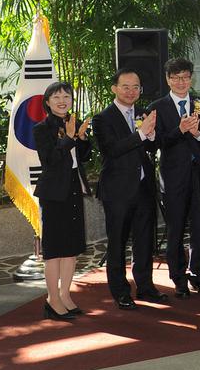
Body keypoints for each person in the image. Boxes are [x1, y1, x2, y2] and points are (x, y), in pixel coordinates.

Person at [92, 67, 160, 310]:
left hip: (143, 187)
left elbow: (150, 147)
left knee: (144, 240)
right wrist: (142, 134)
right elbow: (112, 150)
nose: (131, 91)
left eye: (136, 87)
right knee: (118, 243)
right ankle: (120, 291)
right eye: (126, 87)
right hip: (118, 190)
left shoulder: (143, 113)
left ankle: (145, 286)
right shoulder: (102, 118)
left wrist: (151, 137)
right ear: (114, 88)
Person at [153, 58, 200, 298]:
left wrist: (197, 134)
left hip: (199, 175)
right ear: (168, 79)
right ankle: (178, 278)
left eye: (185, 77)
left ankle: (198, 275)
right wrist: (179, 130)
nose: (181, 82)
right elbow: (156, 142)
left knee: (199, 229)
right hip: (173, 177)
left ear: (191, 79)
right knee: (175, 229)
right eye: (176, 78)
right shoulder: (158, 107)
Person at [32, 81, 91, 320]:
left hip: (73, 188)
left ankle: (65, 295)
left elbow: (84, 157)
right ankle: (52, 299)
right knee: (55, 249)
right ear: (47, 102)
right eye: (56, 97)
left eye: (66, 96)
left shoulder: (73, 122)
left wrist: (82, 138)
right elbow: (50, 161)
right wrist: (68, 137)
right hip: (53, 193)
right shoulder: (41, 129)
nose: (62, 101)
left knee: (71, 248)